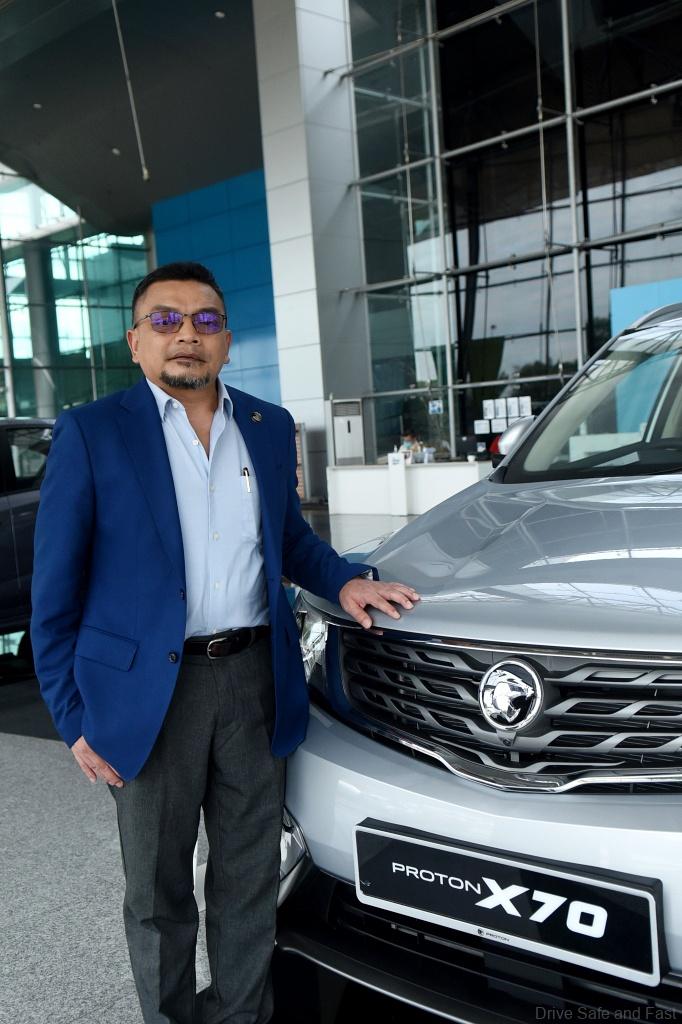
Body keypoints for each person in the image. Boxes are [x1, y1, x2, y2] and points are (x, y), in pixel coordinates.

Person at [30, 261, 419, 1024]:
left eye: (204, 320)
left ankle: (243, 1016)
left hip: (253, 681)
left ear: (227, 341)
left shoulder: (267, 427)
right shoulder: (92, 432)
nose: (187, 334)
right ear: (135, 341)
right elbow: (55, 593)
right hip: (146, 696)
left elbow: (288, 538)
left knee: (248, 878)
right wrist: (72, 717)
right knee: (157, 891)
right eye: (166, 319)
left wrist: (344, 581)